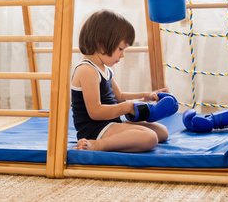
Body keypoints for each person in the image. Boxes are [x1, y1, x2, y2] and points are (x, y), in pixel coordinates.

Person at [71, 9, 171, 153]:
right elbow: (96, 112)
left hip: (111, 123)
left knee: (162, 132)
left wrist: (147, 95)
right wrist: (128, 107)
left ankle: (113, 139)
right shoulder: (87, 70)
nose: (122, 55)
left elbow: (120, 97)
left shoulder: (104, 69)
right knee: (150, 138)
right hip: (96, 129)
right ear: (101, 43)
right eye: (120, 49)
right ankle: (98, 145)